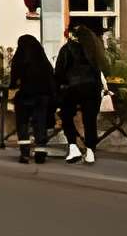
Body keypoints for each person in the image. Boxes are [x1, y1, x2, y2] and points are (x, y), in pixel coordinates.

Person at [53, 24, 106, 163]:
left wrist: (58, 89)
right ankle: (90, 151)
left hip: (73, 87)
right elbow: (102, 69)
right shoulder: (94, 50)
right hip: (92, 88)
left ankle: (73, 146)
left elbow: (59, 72)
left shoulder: (67, 49)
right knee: (90, 120)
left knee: (66, 114)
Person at [6, 33, 57, 164]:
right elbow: (51, 79)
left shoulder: (19, 59)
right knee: (40, 124)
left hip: (24, 96)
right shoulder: (43, 61)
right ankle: (40, 152)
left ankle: (24, 153)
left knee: (22, 124)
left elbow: (13, 81)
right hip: (41, 97)